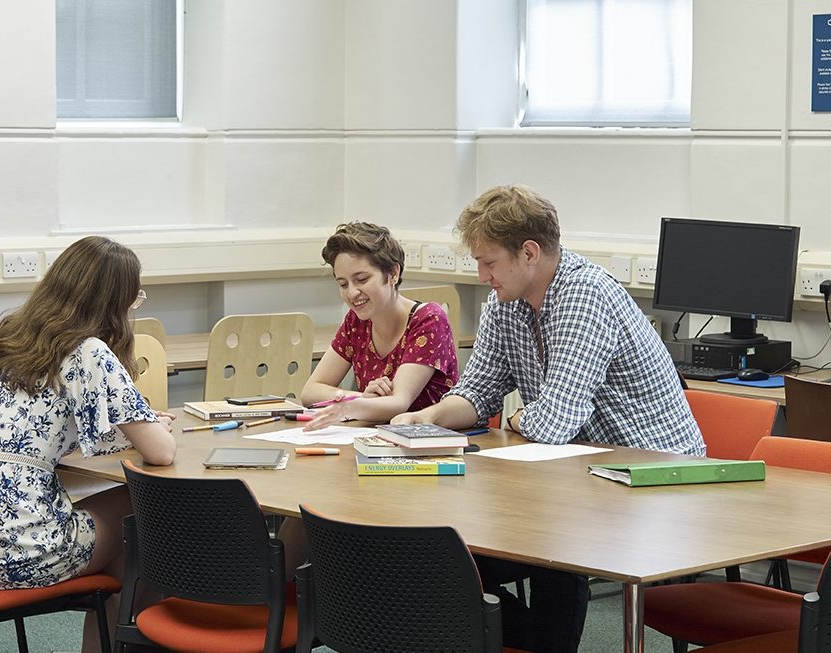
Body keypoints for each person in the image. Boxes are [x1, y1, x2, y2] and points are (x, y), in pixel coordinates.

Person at [394, 185, 704, 653]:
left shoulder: (586, 295)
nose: (483, 276)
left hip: (655, 475)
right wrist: (424, 418)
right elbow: (478, 392)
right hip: (580, 470)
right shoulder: (506, 302)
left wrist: (515, 420)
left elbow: (556, 421)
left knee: (551, 541)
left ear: (529, 253)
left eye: (489, 263)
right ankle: (523, 637)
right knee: (445, 559)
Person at [0, 236, 177, 653]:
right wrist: (149, 427)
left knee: (126, 558)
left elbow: (40, 431)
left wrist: (132, 426)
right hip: (16, 551)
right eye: (133, 299)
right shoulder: (89, 351)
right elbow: (161, 453)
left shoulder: (14, 336)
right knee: (145, 511)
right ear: (114, 301)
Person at [299, 221, 459, 431]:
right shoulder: (356, 321)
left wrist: (349, 407)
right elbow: (310, 392)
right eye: (343, 284)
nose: (352, 293)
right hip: (379, 440)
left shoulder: (428, 319)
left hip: (431, 445)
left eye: (362, 279)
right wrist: (361, 398)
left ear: (393, 273)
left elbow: (399, 403)